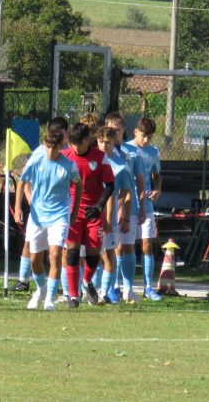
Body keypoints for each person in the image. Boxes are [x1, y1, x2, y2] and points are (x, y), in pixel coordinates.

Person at [20, 129, 81, 311]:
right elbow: (23, 181)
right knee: (34, 259)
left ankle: (50, 300)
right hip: (38, 217)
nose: (50, 151)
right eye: (48, 147)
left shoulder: (68, 165)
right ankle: (41, 290)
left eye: (54, 148)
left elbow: (79, 184)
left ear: (60, 146)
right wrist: (18, 208)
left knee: (55, 255)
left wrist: (74, 211)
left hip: (59, 216)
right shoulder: (36, 160)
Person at [61, 123, 115, 308]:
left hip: (93, 212)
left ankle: (86, 281)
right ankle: (73, 297)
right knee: (72, 253)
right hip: (72, 212)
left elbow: (110, 185)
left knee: (93, 253)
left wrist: (100, 206)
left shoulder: (101, 158)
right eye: (72, 143)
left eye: (78, 143)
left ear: (86, 140)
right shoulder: (65, 157)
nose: (75, 147)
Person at [13, 117, 69, 292]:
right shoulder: (40, 152)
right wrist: (27, 197)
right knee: (30, 244)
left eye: (60, 134)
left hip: (61, 211)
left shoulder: (70, 154)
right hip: (40, 210)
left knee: (59, 251)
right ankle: (23, 280)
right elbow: (24, 178)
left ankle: (65, 290)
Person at [104, 112, 146, 303]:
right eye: (111, 130)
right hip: (107, 210)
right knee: (109, 249)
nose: (114, 134)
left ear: (123, 130)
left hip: (130, 207)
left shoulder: (131, 154)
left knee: (127, 246)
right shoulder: (104, 154)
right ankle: (111, 287)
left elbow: (138, 182)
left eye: (118, 130)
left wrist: (141, 207)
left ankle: (128, 289)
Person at [94, 126, 132, 304]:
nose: (103, 145)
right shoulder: (92, 160)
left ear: (113, 143)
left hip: (109, 219)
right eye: (100, 141)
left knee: (109, 256)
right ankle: (90, 290)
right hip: (92, 215)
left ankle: (104, 291)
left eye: (107, 143)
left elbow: (125, 190)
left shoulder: (120, 166)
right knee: (91, 254)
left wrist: (118, 208)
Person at [128, 117, 163, 301]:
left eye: (150, 137)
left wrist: (158, 189)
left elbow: (157, 175)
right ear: (135, 132)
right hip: (126, 202)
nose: (146, 140)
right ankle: (124, 286)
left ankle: (148, 287)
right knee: (126, 246)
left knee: (147, 244)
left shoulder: (153, 152)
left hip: (146, 203)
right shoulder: (126, 149)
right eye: (143, 136)